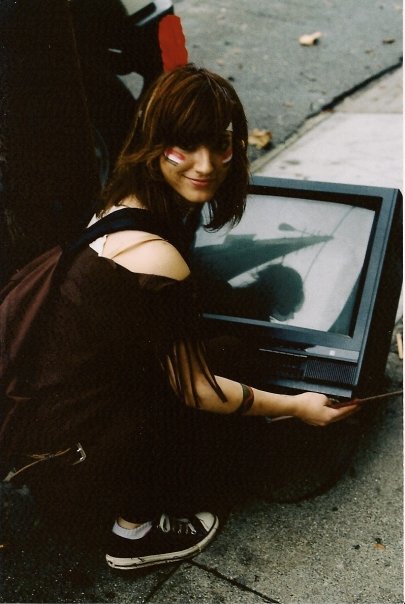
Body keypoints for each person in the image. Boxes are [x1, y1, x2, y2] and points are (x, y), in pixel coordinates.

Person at [6, 64, 358, 571]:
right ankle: (135, 529)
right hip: (78, 456)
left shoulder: (119, 202)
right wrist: (298, 407)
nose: (206, 164)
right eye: (185, 146)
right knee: (209, 385)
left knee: (220, 356)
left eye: (220, 145)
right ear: (154, 142)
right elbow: (198, 390)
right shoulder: (157, 257)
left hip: (46, 425)